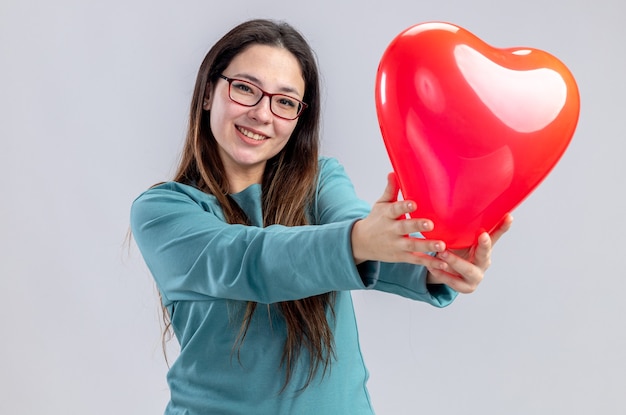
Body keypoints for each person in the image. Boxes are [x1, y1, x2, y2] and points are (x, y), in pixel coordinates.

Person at [130, 18, 513, 415]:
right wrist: (358, 240)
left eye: (285, 101)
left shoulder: (319, 180)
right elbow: (247, 260)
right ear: (209, 93)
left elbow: (360, 230)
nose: (263, 114)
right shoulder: (162, 212)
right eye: (245, 89)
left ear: (298, 118)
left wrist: (440, 260)